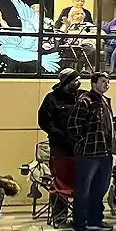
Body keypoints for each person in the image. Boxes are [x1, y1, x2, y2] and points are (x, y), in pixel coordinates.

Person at [67, 72, 116, 231]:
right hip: (89, 153)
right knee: (83, 189)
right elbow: (73, 126)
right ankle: (80, 222)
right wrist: (84, 141)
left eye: (108, 82)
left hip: (105, 151)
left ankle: (95, 219)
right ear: (93, 83)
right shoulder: (85, 101)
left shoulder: (105, 101)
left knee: (100, 188)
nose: (106, 84)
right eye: (103, 81)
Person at [38, 68, 82, 201]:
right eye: (75, 80)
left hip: (80, 148)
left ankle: (78, 213)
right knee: (60, 182)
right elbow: (44, 121)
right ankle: (59, 214)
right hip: (60, 148)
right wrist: (61, 135)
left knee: (80, 181)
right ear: (67, 82)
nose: (78, 83)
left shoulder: (83, 97)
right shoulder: (51, 98)